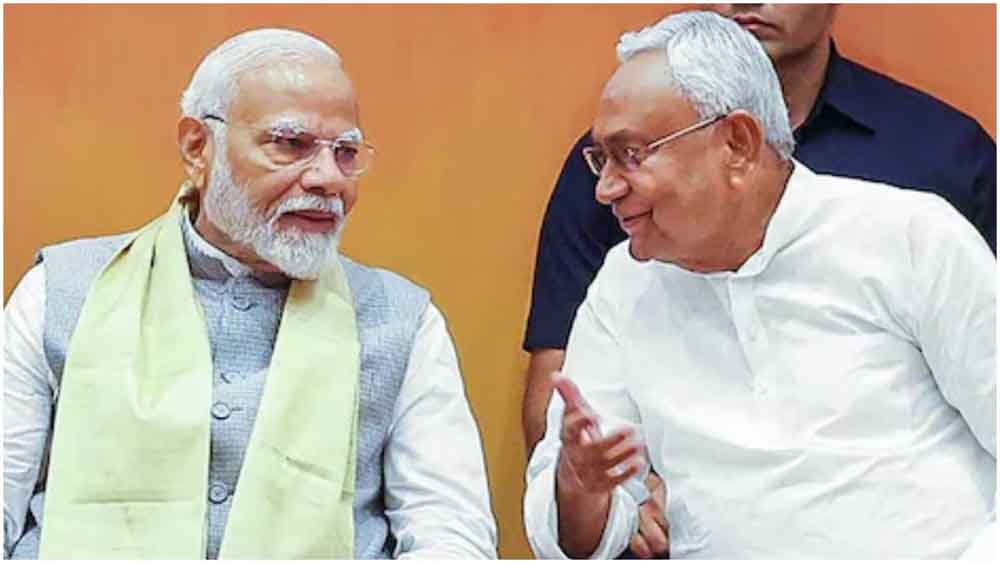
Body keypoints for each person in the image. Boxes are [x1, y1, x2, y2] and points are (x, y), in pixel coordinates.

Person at [3, 28, 497, 559]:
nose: (329, 179)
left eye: (346, 152)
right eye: (290, 144)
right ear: (198, 147)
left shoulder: (403, 321)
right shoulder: (63, 290)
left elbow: (450, 533)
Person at [523, 11, 995, 559]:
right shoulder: (624, 286)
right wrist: (580, 486)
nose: (605, 189)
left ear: (738, 143)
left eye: (631, 155)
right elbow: (577, 538)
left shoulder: (909, 238)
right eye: (601, 160)